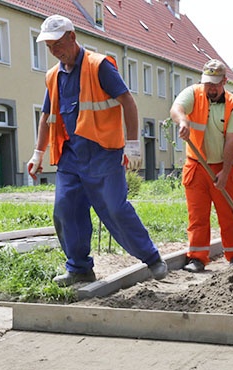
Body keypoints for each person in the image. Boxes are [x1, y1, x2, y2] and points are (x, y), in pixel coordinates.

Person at [27, 15, 167, 287]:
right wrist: (38, 153)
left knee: (114, 209)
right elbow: (47, 116)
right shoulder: (53, 76)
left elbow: (128, 101)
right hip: (70, 157)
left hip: (102, 153)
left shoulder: (98, 65)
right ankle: (79, 268)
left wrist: (134, 144)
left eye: (57, 43)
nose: (55, 51)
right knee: (66, 210)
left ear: (72, 36)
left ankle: (152, 258)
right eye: (49, 47)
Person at [169, 59, 233, 273]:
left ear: (224, 81)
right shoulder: (193, 94)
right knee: (197, 215)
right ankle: (197, 258)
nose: (211, 88)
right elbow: (176, 109)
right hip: (197, 167)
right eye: (208, 84)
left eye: (215, 84)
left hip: (225, 166)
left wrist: (224, 172)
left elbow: (231, 142)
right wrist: (183, 121)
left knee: (230, 216)